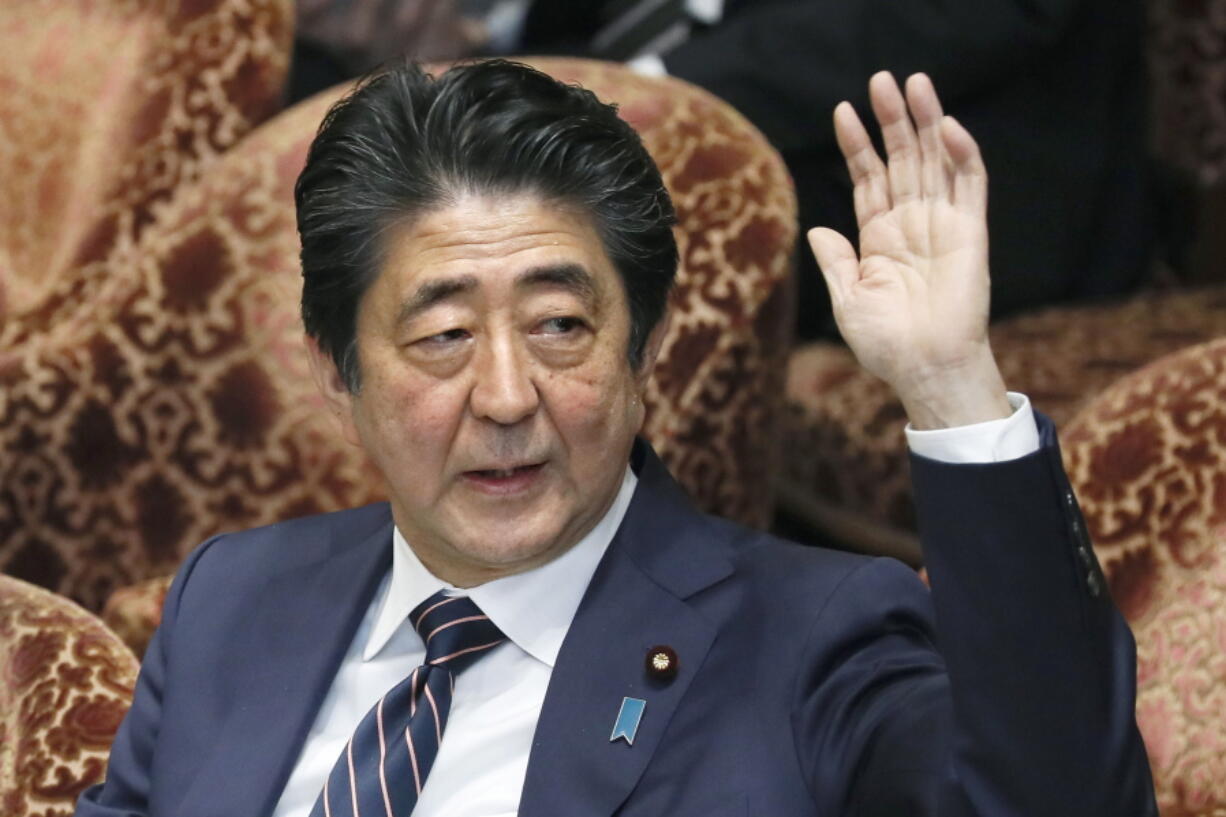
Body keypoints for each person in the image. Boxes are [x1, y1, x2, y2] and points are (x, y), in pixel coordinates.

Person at [76, 60, 1155, 816]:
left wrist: (949, 385)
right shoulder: (231, 598)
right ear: (336, 375)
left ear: (642, 359)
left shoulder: (809, 635)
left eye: (559, 326)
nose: (506, 395)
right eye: (444, 335)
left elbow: (1057, 799)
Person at [510, 0, 1153, 338]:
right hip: (749, 92)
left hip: (949, 177)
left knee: (576, 224)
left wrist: (667, 95)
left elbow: (974, 15)